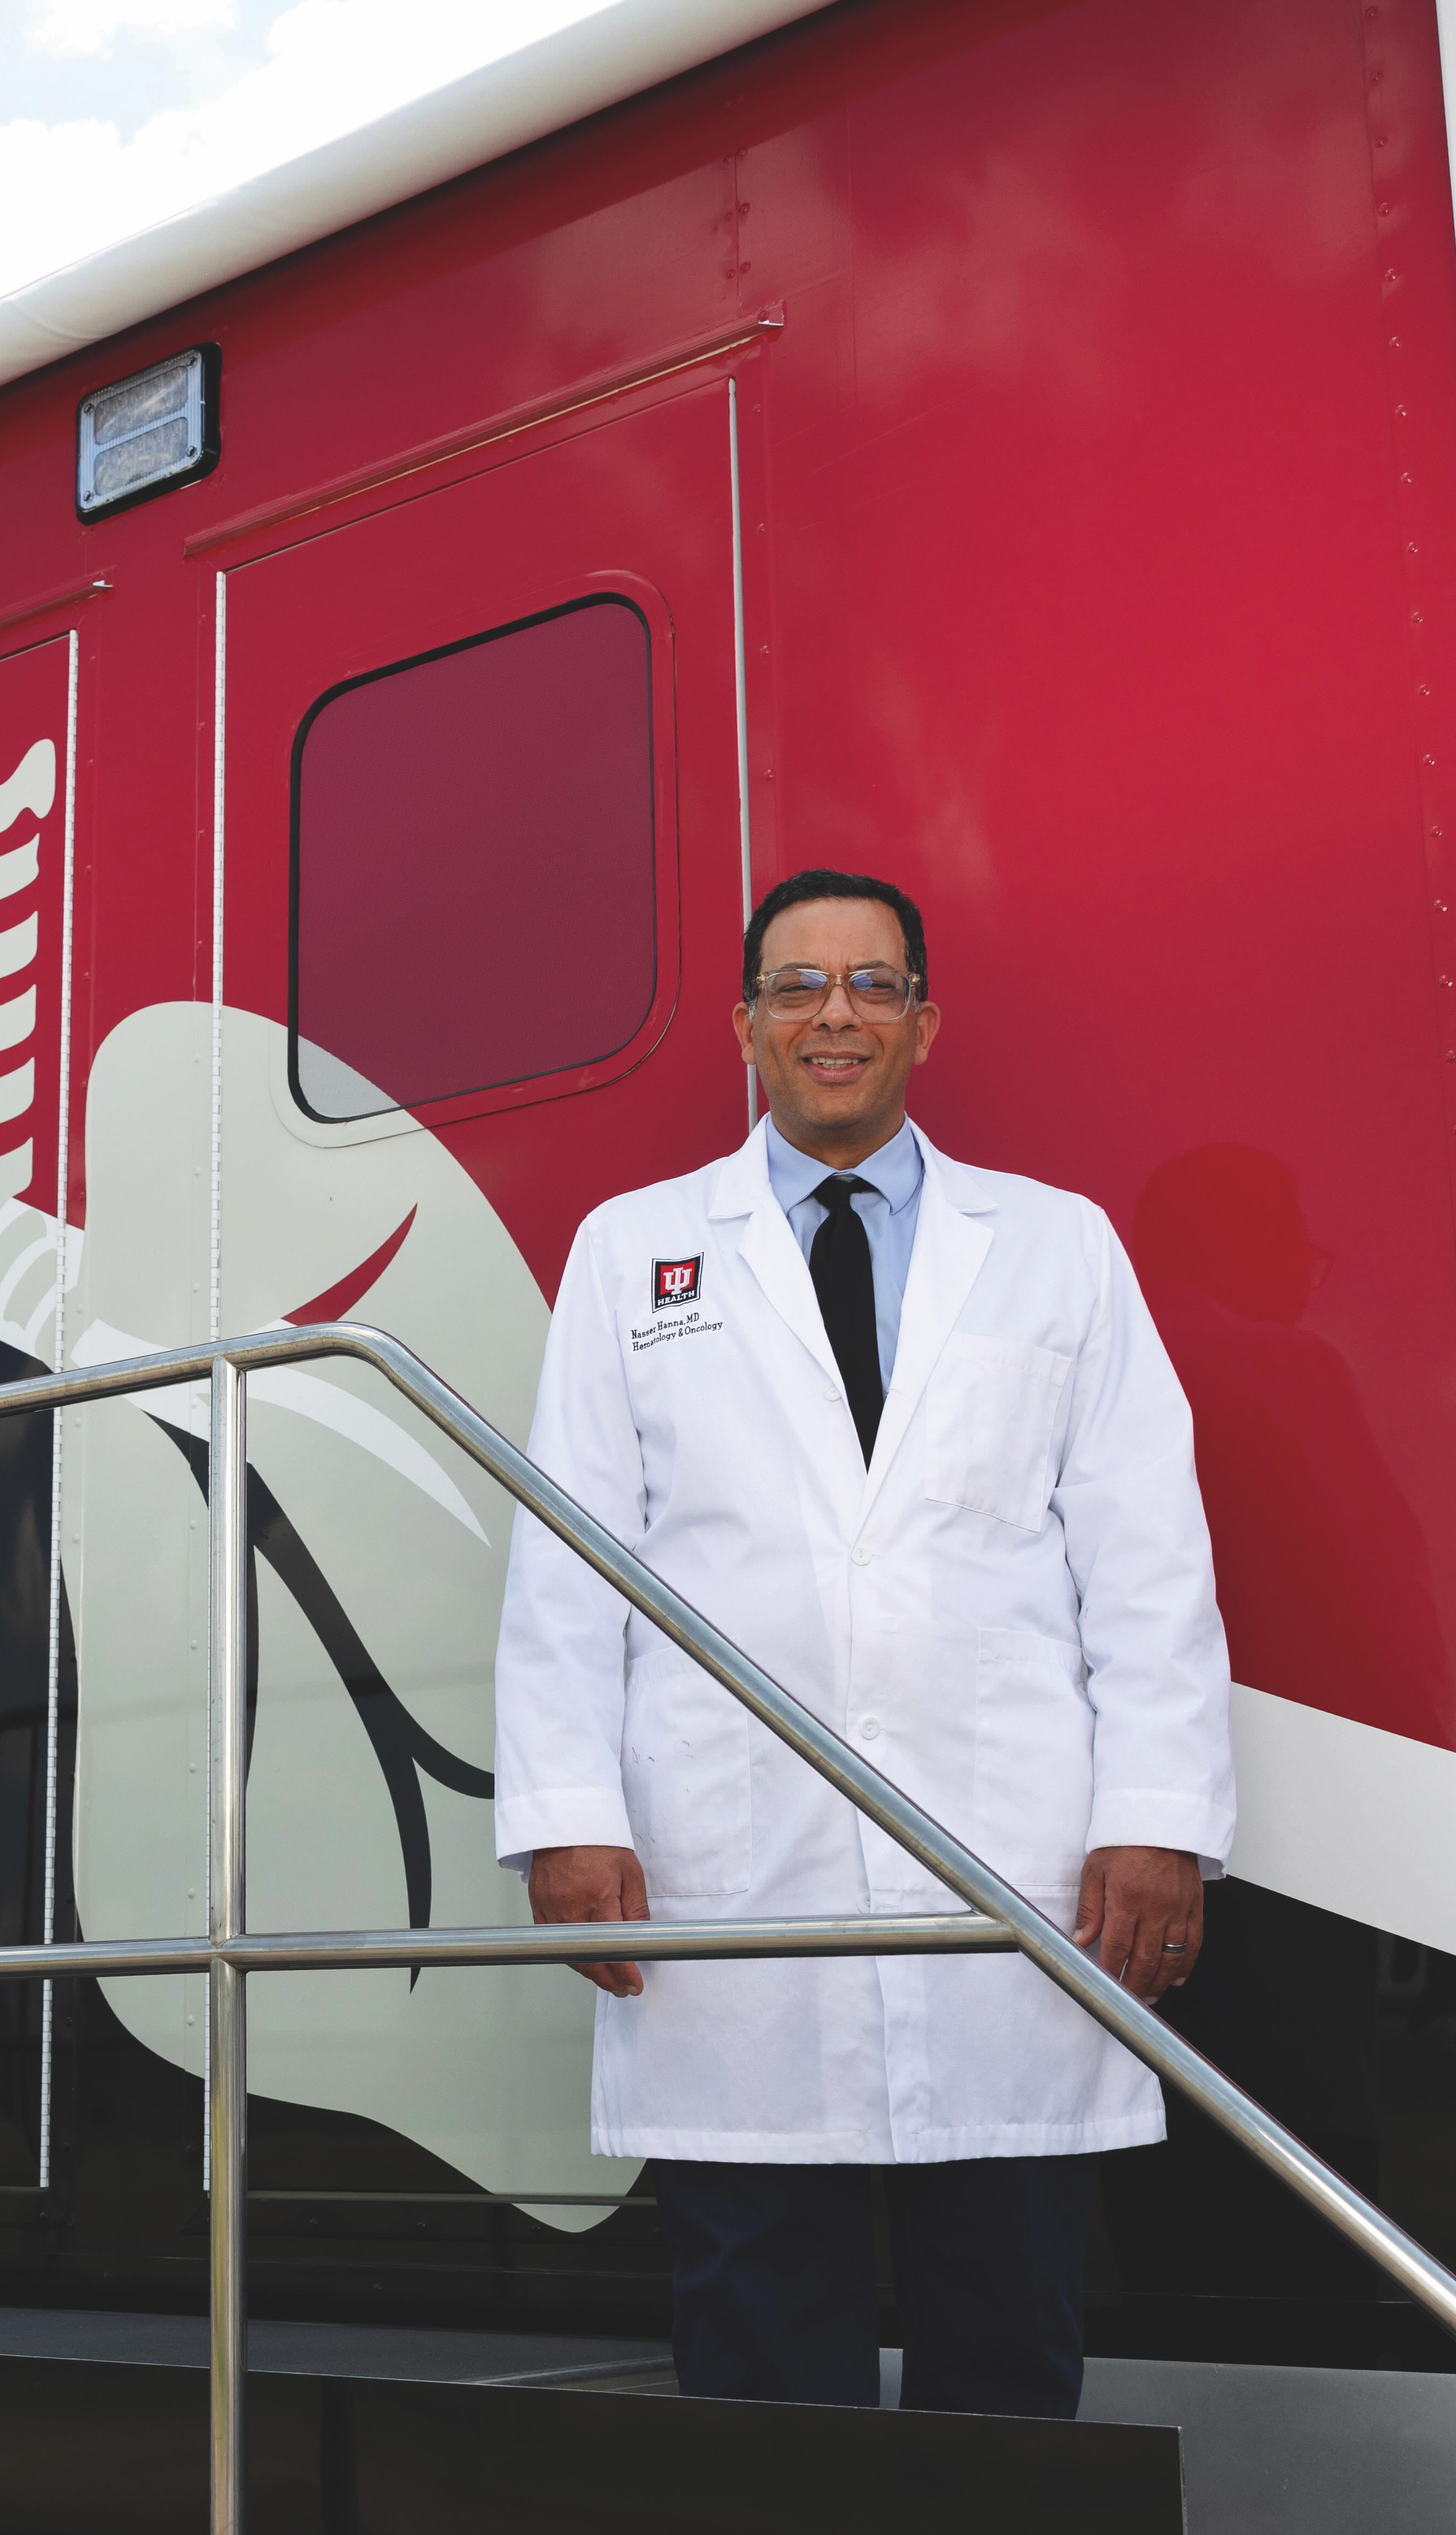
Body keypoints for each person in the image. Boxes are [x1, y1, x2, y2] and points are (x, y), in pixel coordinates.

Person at [491, 867, 1233, 2415]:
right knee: (760, 2331)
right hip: (729, 1876)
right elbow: (572, 1561)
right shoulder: (634, 1254)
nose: (837, 1013)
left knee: (1010, 2328)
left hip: (1008, 1865)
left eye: (874, 984)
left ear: (923, 1023)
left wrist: (1160, 1820)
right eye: (800, 986)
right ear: (749, 1028)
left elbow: (1145, 1555)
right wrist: (567, 1817)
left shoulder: (1057, 1248)